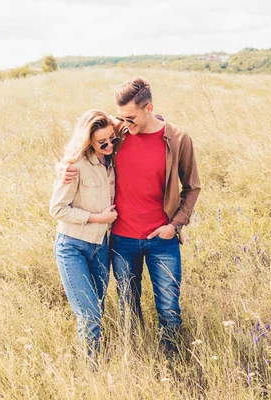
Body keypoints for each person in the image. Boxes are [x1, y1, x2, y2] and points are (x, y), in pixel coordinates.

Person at [62, 77, 201, 355]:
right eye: (120, 117)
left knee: (169, 309)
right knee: (128, 308)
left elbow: (193, 187)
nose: (124, 123)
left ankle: (172, 363)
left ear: (148, 108)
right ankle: (137, 359)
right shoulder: (119, 132)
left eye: (130, 117)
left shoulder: (178, 139)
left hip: (163, 239)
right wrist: (61, 168)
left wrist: (174, 225)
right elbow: (82, 147)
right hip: (122, 241)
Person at [49, 109, 121, 363]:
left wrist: (113, 125)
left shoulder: (113, 158)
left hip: (101, 247)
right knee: (89, 313)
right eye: (103, 142)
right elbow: (57, 209)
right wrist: (97, 218)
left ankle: (94, 358)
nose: (110, 144)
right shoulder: (75, 166)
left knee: (97, 309)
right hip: (73, 247)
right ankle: (92, 372)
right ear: (88, 141)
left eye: (113, 138)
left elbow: (130, 119)